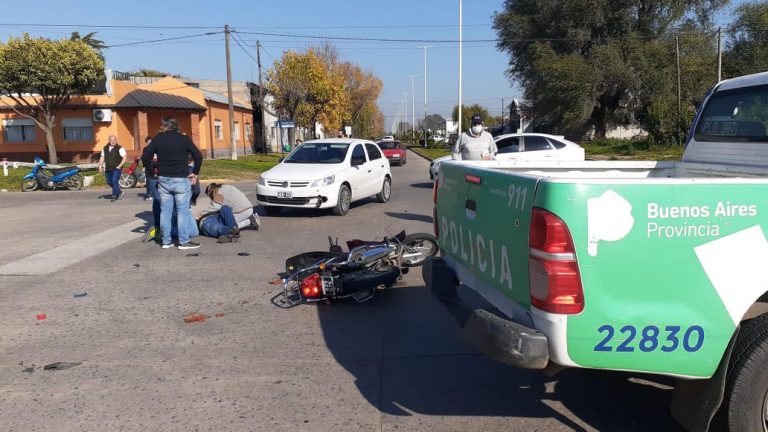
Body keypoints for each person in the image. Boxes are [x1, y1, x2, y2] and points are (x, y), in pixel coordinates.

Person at [142, 117, 203, 250]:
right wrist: (195, 172)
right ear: (177, 127)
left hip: (163, 179)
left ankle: (166, 241)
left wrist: (152, 171)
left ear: (165, 126)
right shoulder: (184, 139)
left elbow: (145, 156)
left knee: (165, 211)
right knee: (182, 211)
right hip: (181, 178)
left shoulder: (158, 138)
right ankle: (183, 242)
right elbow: (198, 155)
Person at [98, 135, 128, 202]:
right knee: (109, 182)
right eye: (111, 140)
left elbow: (125, 157)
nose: (113, 141)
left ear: (116, 140)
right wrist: (100, 166)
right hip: (108, 168)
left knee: (114, 181)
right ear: (109, 140)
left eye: (114, 140)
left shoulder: (120, 148)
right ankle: (119, 192)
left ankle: (114, 196)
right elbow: (102, 157)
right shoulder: (105, 148)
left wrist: (119, 166)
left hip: (116, 168)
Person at [143, 136, 154, 201]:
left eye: (151, 142)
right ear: (146, 143)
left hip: (154, 167)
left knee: (154, 181)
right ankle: (148, 194)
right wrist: (144, 166)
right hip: (147, 167)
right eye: (148, 142)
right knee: (148, 181)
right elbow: (144, 159)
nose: (149, 143)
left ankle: (153, 193)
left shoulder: (155, 149)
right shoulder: (145, 149)